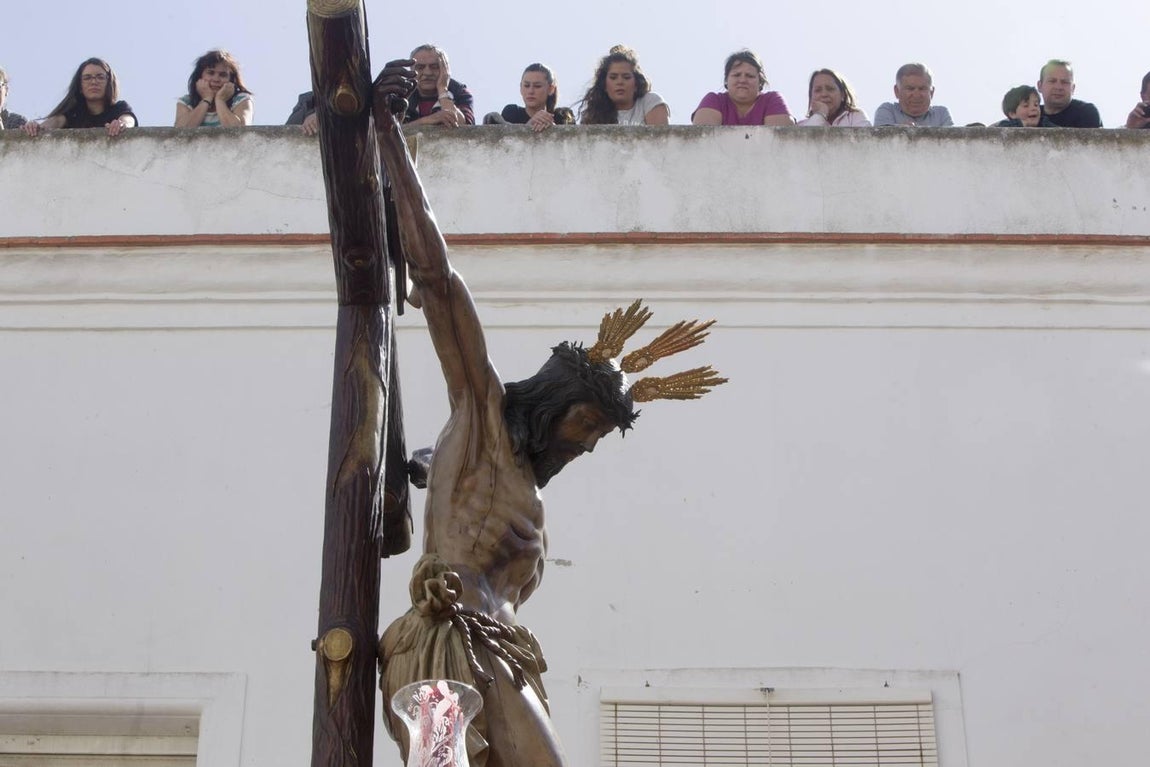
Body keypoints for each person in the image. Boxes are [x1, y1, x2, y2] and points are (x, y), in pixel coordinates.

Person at [372, 60, 725, 767]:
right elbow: (441, 286)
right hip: (441, 635)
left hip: (499, 648)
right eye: (585, 425)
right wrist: (387, 138)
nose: (586, 445)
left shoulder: (527, 487)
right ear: (558, 402)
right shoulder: (482, 417)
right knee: (441, 765)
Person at [21, 58, 136, 137]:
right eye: (87, 78)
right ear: (80, 86)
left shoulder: (119, 108)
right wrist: (35, 127)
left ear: (109, 82)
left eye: (100, 77)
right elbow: (55, 122)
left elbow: (128, 119)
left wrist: (121, 124)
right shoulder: (73, 113)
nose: (94, 82)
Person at [691, 49, 793, 126]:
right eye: (737, 75)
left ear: (760, 82)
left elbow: (780, 141)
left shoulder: (772, 100)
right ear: (726, 79)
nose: (743, 80)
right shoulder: (714, 100)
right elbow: (703, 141)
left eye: (750, 76)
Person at [578, 45, 669, 125]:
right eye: (613, 77)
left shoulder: (650, 102)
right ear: (604, 85)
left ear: (636, 84)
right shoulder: (593, 115)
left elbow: (661, 141)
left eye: (626, 77)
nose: (620, 82)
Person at [175, 49, 253, 128]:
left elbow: (241, 133)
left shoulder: (241, 99)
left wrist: (220, 101)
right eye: (211, 73)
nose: (216, 79)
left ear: (231, 80)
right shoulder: (187, 101)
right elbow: (179, 133)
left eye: (223, 75)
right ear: (199, 76)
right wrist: (206, 99)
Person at [486, 63, 574, 131]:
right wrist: (530, 125)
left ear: (551, 89)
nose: (531, 91)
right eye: (527, 85)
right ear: (521, 88)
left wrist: (550, 128)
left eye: (537, 86)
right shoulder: (512, 112)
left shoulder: (563, 115)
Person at [403, 44, 474, 127]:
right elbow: (390, 132)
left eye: (434, 67)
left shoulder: (459, 91)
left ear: (445, 70)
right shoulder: (402, 94)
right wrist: (431, 119)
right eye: (420, 67)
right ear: (411, 71)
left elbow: (465, 129)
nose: (427, 73)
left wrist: (443, 90)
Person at [873, 63, 953, 127]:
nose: (916, 95)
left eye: (922, 89)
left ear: (931, 92)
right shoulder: (887, 110)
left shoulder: (941, 114)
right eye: (910, 89)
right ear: (897, 91)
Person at [1036, 59, 1100, 128]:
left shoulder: (1086, 113)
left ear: (1073, 88)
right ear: (1040, 86)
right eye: (1052, 81)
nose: (1058, 87)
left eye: (1065, 82)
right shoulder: (1031, 114)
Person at [797, 68, 871, 127]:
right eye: (818, 90)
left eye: (830, 89)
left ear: (842, 95)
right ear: (811, 97)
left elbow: (867, 141)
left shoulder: (855, 116)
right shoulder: (801, 125)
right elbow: (805, 143)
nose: (824, 94)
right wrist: (820, 115)